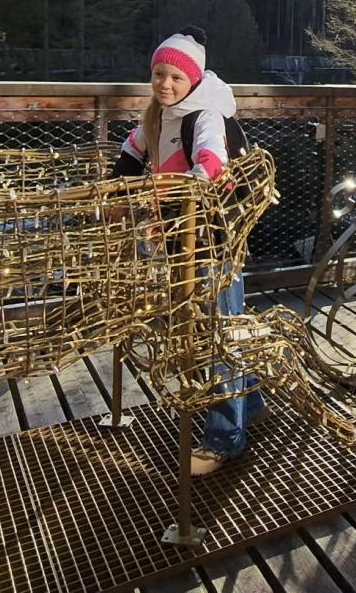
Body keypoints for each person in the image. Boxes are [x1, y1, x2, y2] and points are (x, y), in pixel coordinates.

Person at [109, 26, 262, 476]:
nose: (165, 84)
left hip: (212, 240)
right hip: (181, 239)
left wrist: (186, 191)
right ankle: (250, 402)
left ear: (193, 79)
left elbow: (212, 161)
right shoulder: (158, 117)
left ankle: (224, 439)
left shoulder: (204, 116)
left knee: (219, 336)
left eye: (176, 77)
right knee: (215, 329)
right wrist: (117, 193)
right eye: (159, 74)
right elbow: (132, 151)